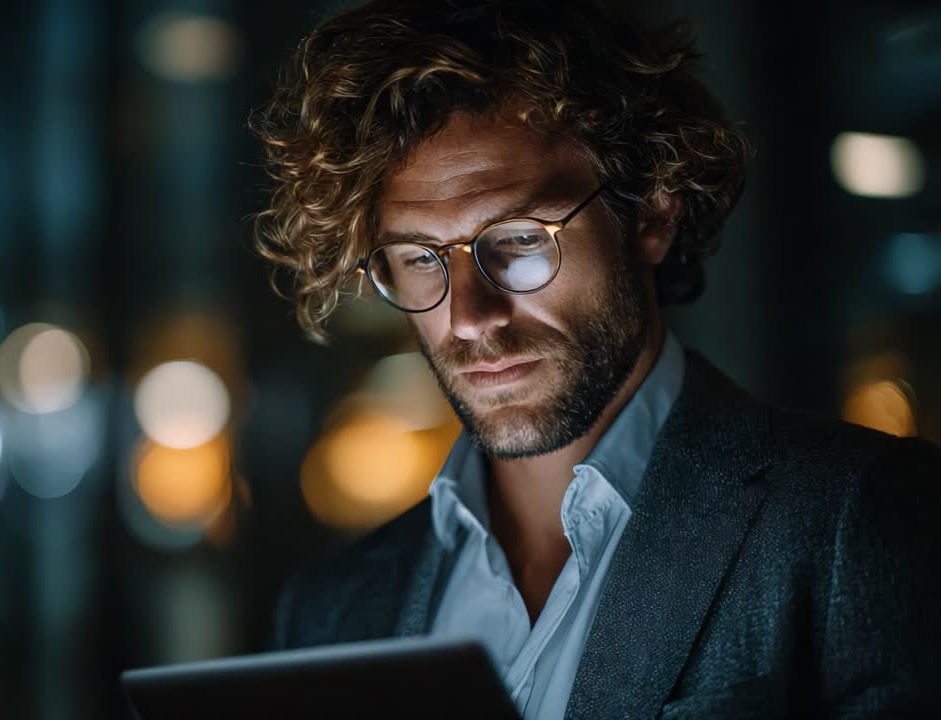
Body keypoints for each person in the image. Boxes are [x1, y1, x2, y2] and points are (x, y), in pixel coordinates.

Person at [249, 1, 941, 717]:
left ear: (651, 213)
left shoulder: (858, 520)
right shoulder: (329, 610)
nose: (469, 317)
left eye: (518, 241)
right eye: (420, 258)